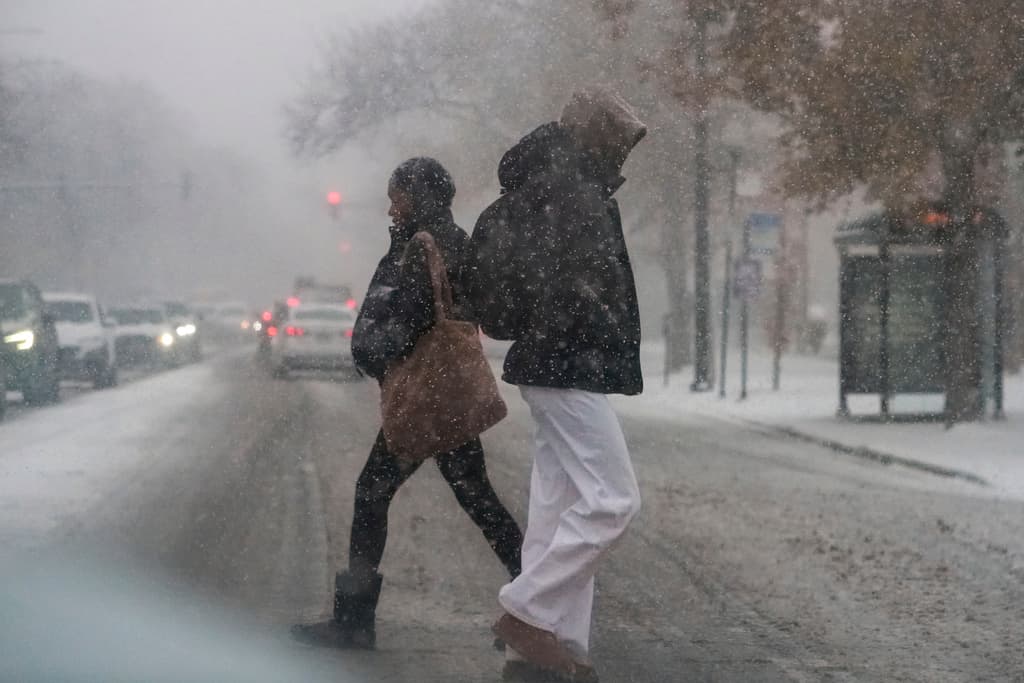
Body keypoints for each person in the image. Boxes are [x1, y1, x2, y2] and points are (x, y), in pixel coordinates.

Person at [292, 157, 524, 650]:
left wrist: (372, 352)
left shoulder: (423, 246)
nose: (391, 205)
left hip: (427, 396)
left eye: (397, 195)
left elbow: (408, 321)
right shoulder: (448, 240)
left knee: (373, 493)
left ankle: (354, 622)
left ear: (417, 197)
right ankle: (538, 602)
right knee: (477, 498)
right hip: (445, 392)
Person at [477, 88, 646, 682]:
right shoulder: (571, 190)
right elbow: (572, 283)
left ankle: (556, 643)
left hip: (553, 361)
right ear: (595, 134)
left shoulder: (555, 181)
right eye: (620, 140)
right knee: (614, 500)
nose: (625, 155)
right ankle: (527, 612)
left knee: (560, 504)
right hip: (569, 362)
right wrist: (593, 319)